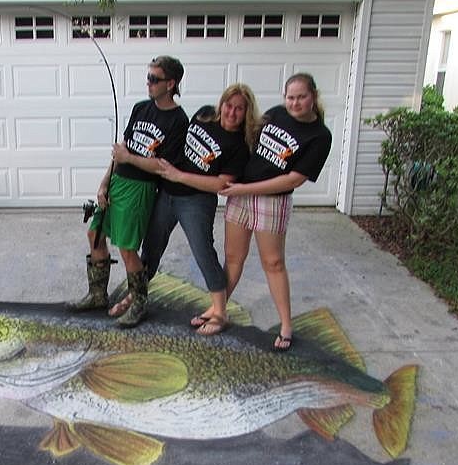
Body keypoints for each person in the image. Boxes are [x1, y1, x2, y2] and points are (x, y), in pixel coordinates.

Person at [124, 83, 258, 336]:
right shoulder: (204, 114)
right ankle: (136, 296)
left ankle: (220, 313)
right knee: (151, 248)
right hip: (166, 194)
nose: (232, 112)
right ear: (221, 104)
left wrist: (179, 176)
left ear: (246, 113)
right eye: (229, 105)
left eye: (239, 109)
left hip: (196, 201)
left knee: (203, 253)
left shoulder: (239, 145)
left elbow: (220, 184)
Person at [66, 56, 189, 328]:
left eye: (154, 79)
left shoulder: (178, 120)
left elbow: (162, 166)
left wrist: (128, 158)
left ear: (171, 83)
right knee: (94, 233)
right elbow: (122, 149)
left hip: (140, 188)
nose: (148, 83)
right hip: (118, 181)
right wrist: (103, 183)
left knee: (127, 248)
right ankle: (98, 295)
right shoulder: (141, 108)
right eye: (148, 77)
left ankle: (139, 303)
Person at [218, 72, 332, 352]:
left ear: (313, 97)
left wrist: (244, 190)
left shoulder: (319, 136)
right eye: (290, 97)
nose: (294, 103)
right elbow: (246, 142)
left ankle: (285, 325)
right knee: (233, 258)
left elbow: (293, 179)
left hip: (271, 201)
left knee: (274, 263)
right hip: (241, 194)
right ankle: (218, 310)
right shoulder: (275, 114)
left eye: (301, 97)